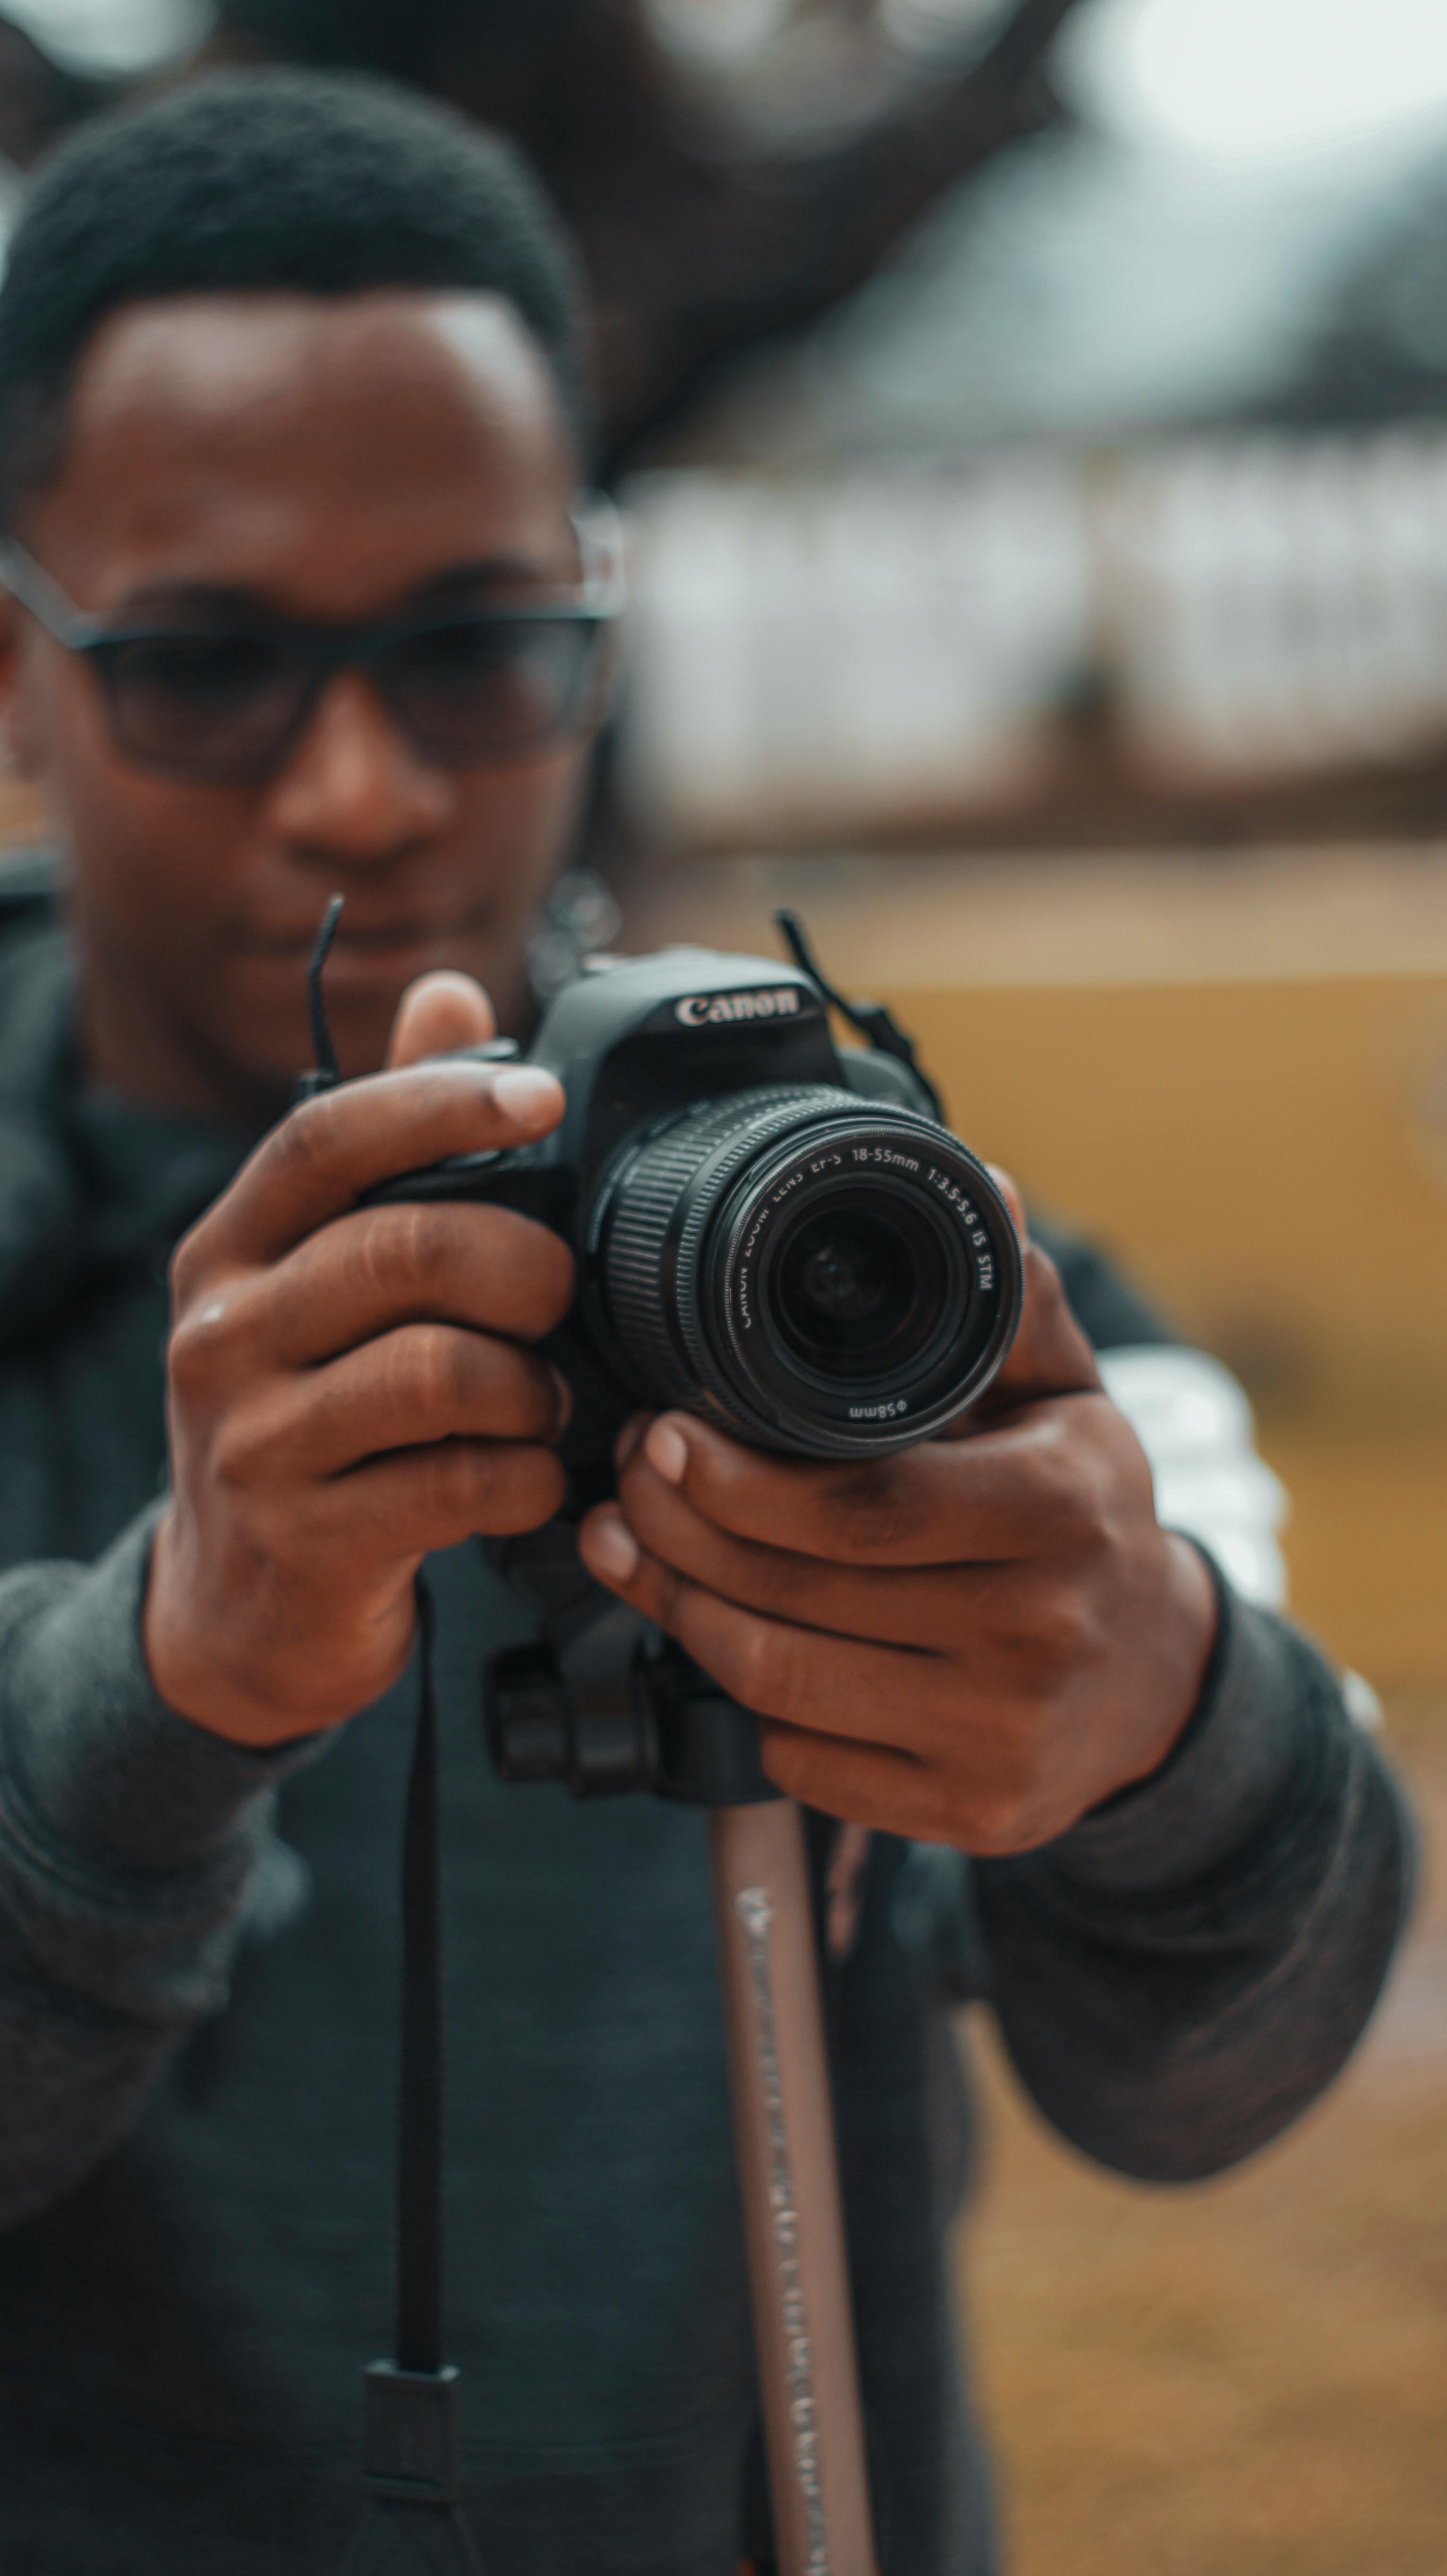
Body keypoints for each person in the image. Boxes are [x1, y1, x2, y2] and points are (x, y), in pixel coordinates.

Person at [0, 69, 1412, 2576]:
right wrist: (161, 1686)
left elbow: (1219, 2078)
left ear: (597, 631)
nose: (357, 788)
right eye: (209, 668)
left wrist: (1159, 1721)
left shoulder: (906, 1283)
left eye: (473, 648)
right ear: (20, 671)